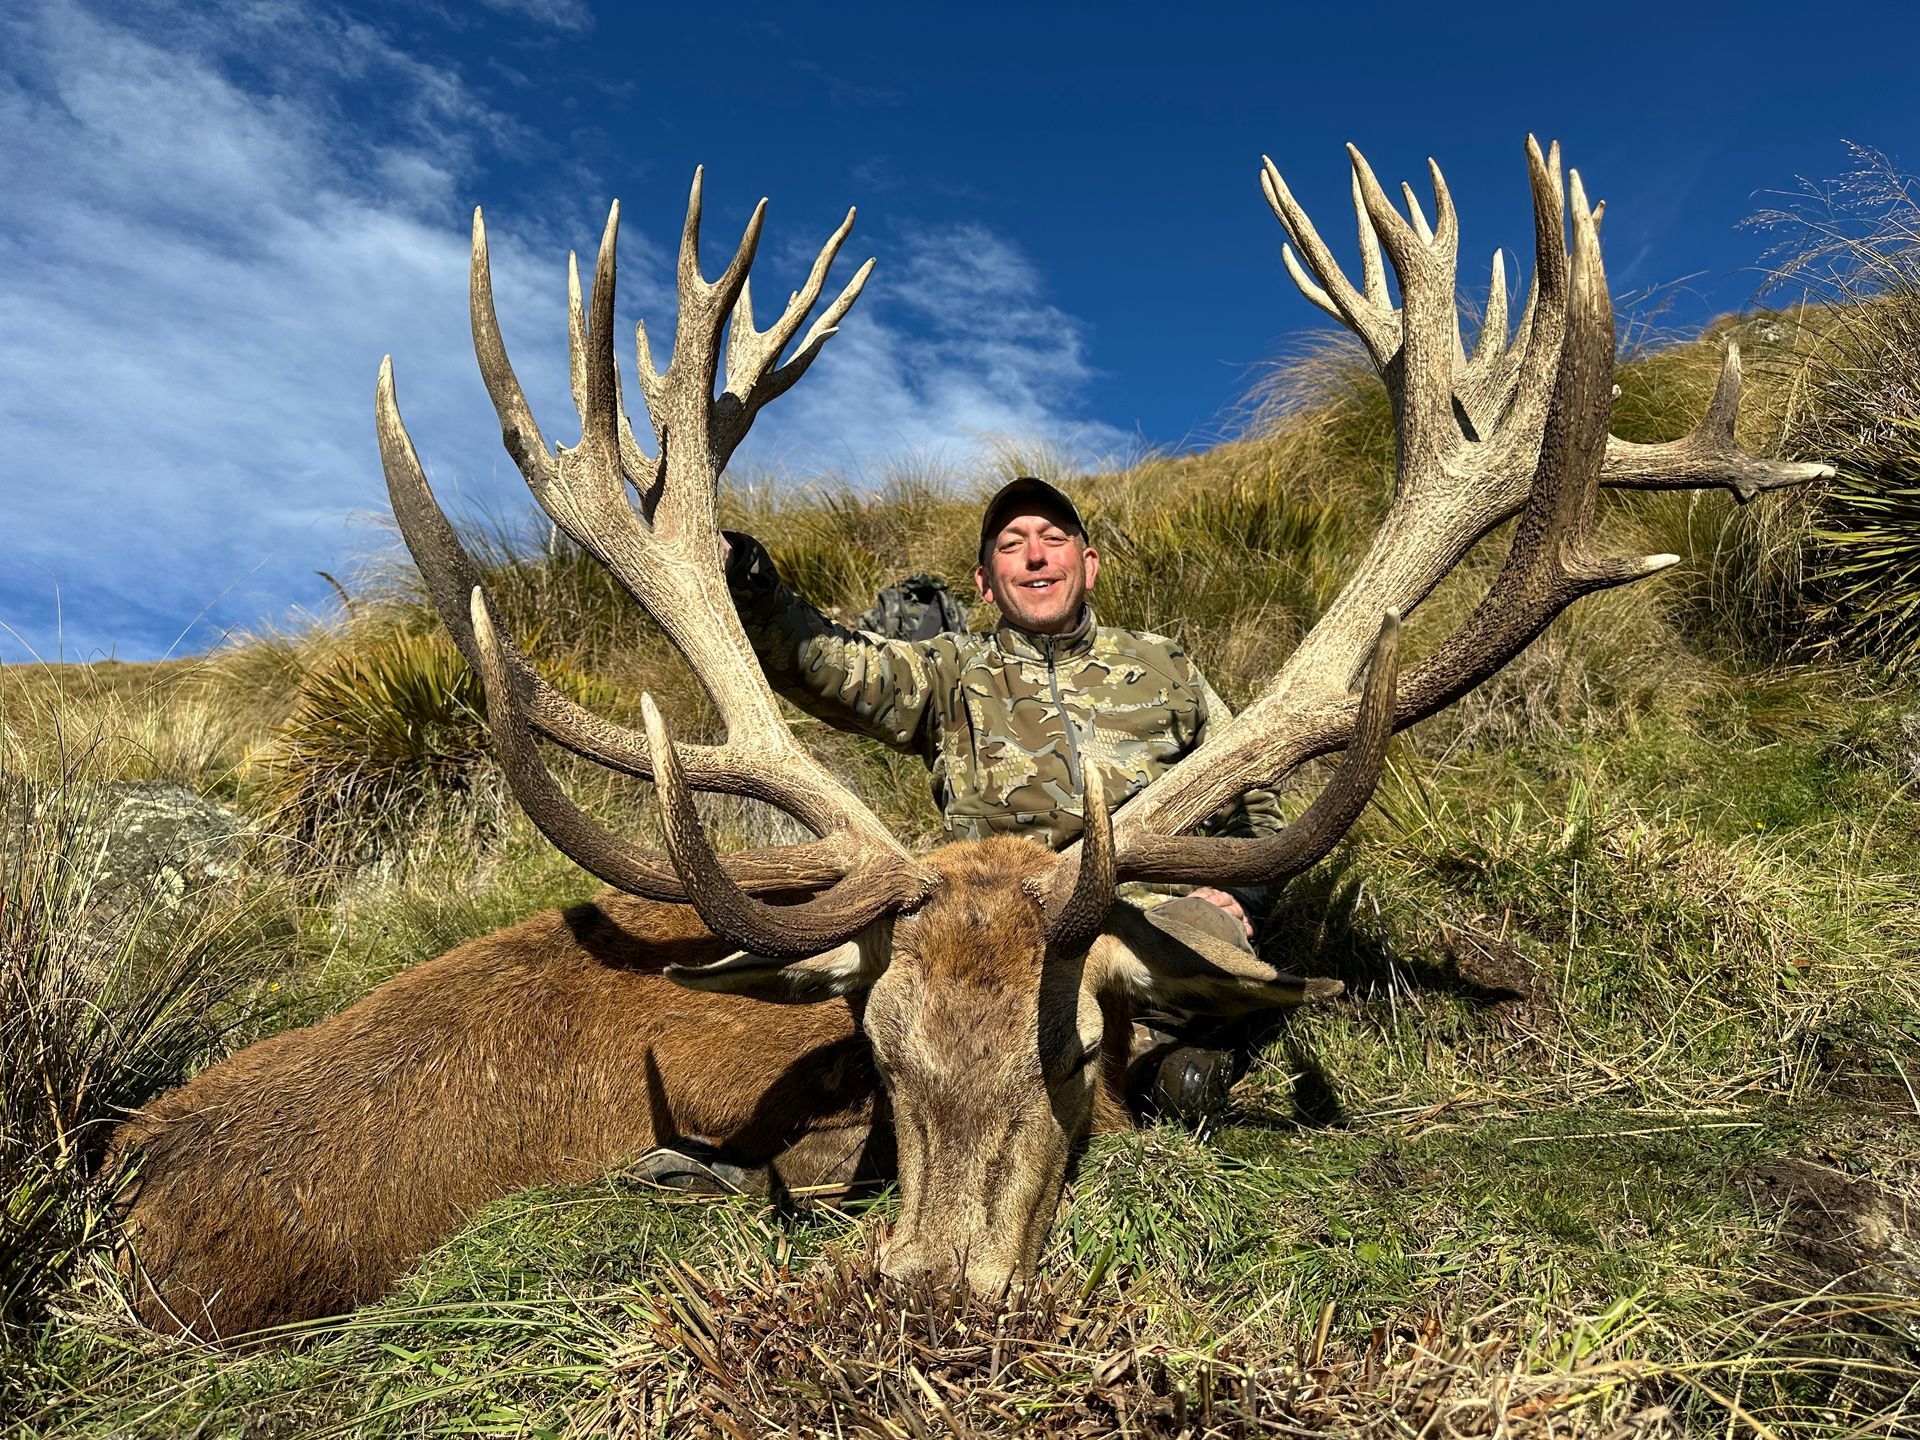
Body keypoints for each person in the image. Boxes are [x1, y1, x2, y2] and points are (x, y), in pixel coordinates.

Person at [633, 477, 1280, 1193]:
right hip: (995, 937)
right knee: (940, 1037)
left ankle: (1153, 1062)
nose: (1035, 557)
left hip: (1142, 920)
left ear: (1088, 565)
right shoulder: (952, 674)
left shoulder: (1168, 666)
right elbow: (832, 666)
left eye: (1053, 540)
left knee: (1206, 942)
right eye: (1012, 546)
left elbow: (1247, 787)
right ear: (985, 581)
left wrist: (1243, 890)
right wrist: (750, 583)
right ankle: (1153, 1078)